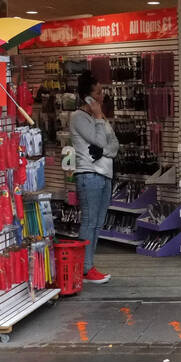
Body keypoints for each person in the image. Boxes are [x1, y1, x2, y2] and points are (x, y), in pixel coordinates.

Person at [69, 71, 119, 284]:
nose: (102, 95)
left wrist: (105, 151)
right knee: (89, 222)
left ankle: (89, 266)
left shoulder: (100, 118)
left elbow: (114, 145)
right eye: (98, 92)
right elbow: (98, 141)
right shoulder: (79, 117)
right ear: (88, 97)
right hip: (89, 174)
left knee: (98, 223)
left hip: (105, 173)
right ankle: (85, 268)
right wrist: (98, 118)